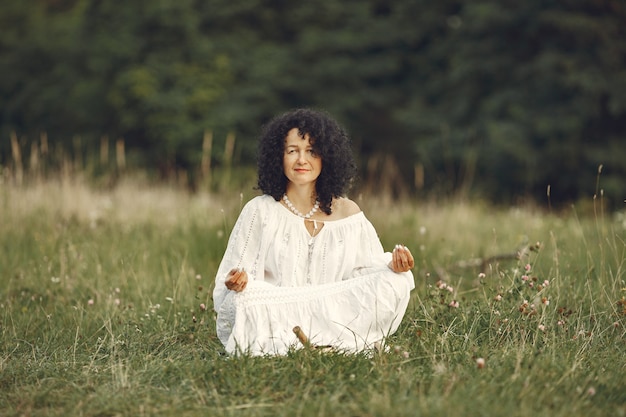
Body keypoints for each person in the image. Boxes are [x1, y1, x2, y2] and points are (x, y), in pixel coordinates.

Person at [213, 108, 415, 355]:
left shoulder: (349, 213)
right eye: (292, 151)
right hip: (278, 314)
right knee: (245, 299)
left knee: (393, 280)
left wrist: (393, 268)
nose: (301, 160)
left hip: (334, 316)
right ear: (278, 157)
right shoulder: (260, 211)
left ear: (326, 157)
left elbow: (364, 276)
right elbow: (232, 277)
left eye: (311, 151)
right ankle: (304, 343)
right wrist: (239, 282)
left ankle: (327, 339)